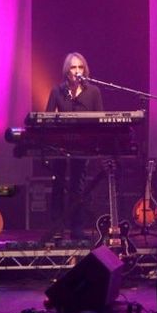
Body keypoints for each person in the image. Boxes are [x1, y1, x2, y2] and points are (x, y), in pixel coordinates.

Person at [44, 52, 104, 240]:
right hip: (60, 145)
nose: (77, 71)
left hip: (83, 145)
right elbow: (47, 118)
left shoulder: (93, 92)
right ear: (66, 71)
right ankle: (57, 227)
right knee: (58, 184)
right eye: (73, 67)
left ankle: (77, 228)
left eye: (80, 67)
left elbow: (100, 119)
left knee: (78, 185)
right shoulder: (57, 91)